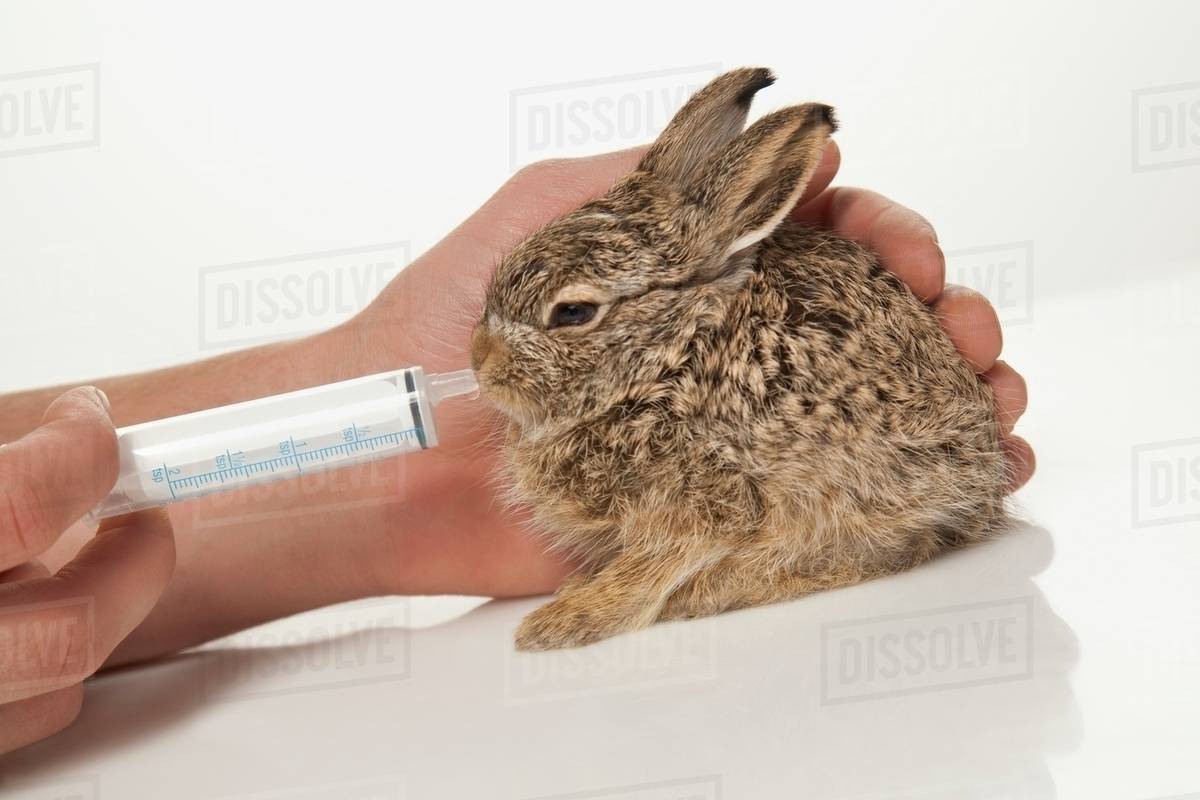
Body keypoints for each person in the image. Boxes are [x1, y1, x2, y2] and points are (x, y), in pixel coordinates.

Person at [0, 143, 1032, 754]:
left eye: (572, 315)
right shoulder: (594, 414)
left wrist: (609, 595)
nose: (483, 359)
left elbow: (703, 504)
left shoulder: (670, 407)